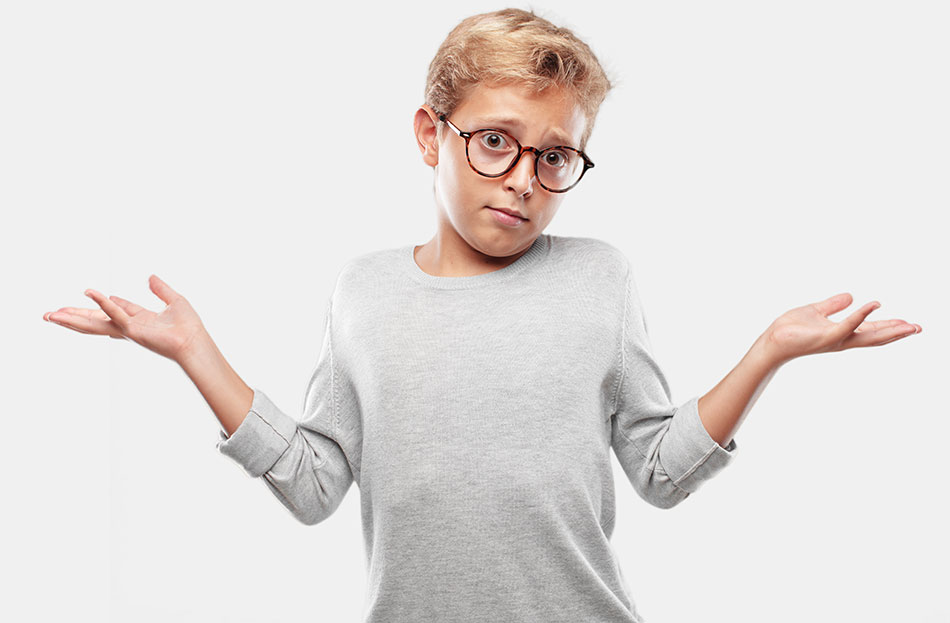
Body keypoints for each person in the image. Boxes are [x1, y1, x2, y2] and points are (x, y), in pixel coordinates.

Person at [42, 8, 922, 623]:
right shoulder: (363, 290)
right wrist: (199, 352)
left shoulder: (600, 279)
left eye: (555, 157)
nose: (523, 180)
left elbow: (658, 470)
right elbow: (315, 485)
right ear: (432, 135)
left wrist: (770, 350)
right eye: (496, 140)